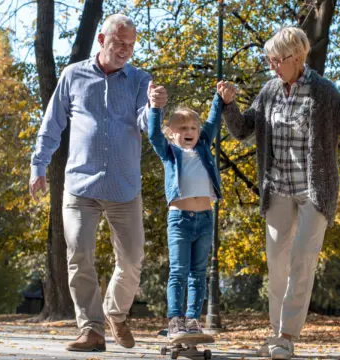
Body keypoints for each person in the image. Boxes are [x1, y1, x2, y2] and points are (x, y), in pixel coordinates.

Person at [217, 27, 340, 360]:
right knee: (277, 262)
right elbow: (242, 130)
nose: (271, 66)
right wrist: (229, 105)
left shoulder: (324, 93)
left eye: (275, 60)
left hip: (314, 192)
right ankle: (277, 332)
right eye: (269, 60)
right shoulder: (269, 91)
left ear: (295, 58)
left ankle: (286, 336)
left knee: (301, 261)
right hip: (277, 188)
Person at [29, 14, 168, 352]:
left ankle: (114, 312)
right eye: (119, 43)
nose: (125, 50)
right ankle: (90, 329)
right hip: (80, 186)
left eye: (131, 45)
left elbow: (143, 123)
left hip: (124, 187)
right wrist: (38, 165)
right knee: (79, 254)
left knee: (133, 258)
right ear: (102, 40)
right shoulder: (72, 75)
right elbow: (52, 124)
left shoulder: (139, 79)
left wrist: (153, 108)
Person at [146, 82, 227, 341]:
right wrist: (156, 109)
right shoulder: (169, 153)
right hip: (179, 219)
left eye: (193, 127)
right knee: (179, 271)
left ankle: (192, 319)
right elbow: (153, 136)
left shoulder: (203, 148)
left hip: (205, 219)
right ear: (172, 133)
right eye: (182, 128)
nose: (189, 131)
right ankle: (175, 320)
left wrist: (219, 98)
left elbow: (213, 122)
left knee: (198, 273)